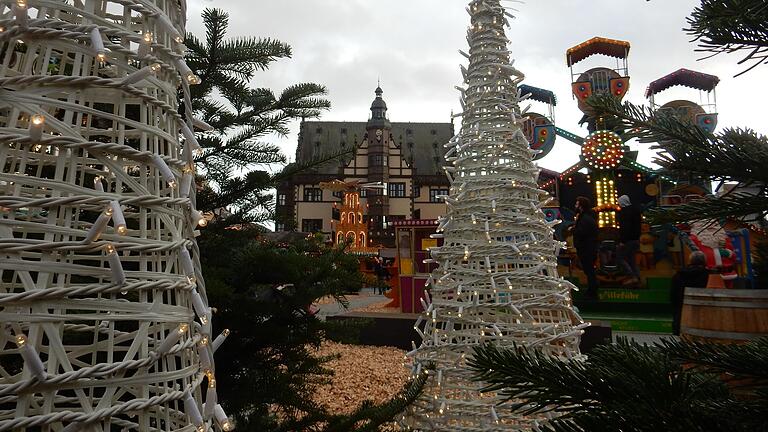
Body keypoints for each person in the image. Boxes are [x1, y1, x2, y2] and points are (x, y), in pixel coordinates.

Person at [671, 251, 709, 335]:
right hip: (703, 311)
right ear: (704, 262)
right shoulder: (708, 275)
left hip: (681, 311)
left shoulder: (678, 275)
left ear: (690, 261)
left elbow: (673, 294)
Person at [573, 196, 599, 299]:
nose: (575, 206)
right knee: (589, 270)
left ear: (581, 206)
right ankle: (592, 290)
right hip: (588, 247)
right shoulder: (587, 217)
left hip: (587, 248)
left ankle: (592, 291)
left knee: (589, 270)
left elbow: (582, 233)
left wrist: (574, 230)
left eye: (577, 204)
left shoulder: (585, 219)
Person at [616, 195, 642, 286]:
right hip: (635, 239)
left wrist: (622, 241)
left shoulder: (624, 213)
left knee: (619, 257)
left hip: (628, 240)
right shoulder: (636, 211)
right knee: (631, 260)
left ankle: (631, 276)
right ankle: (637, 278)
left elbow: (625, 228)